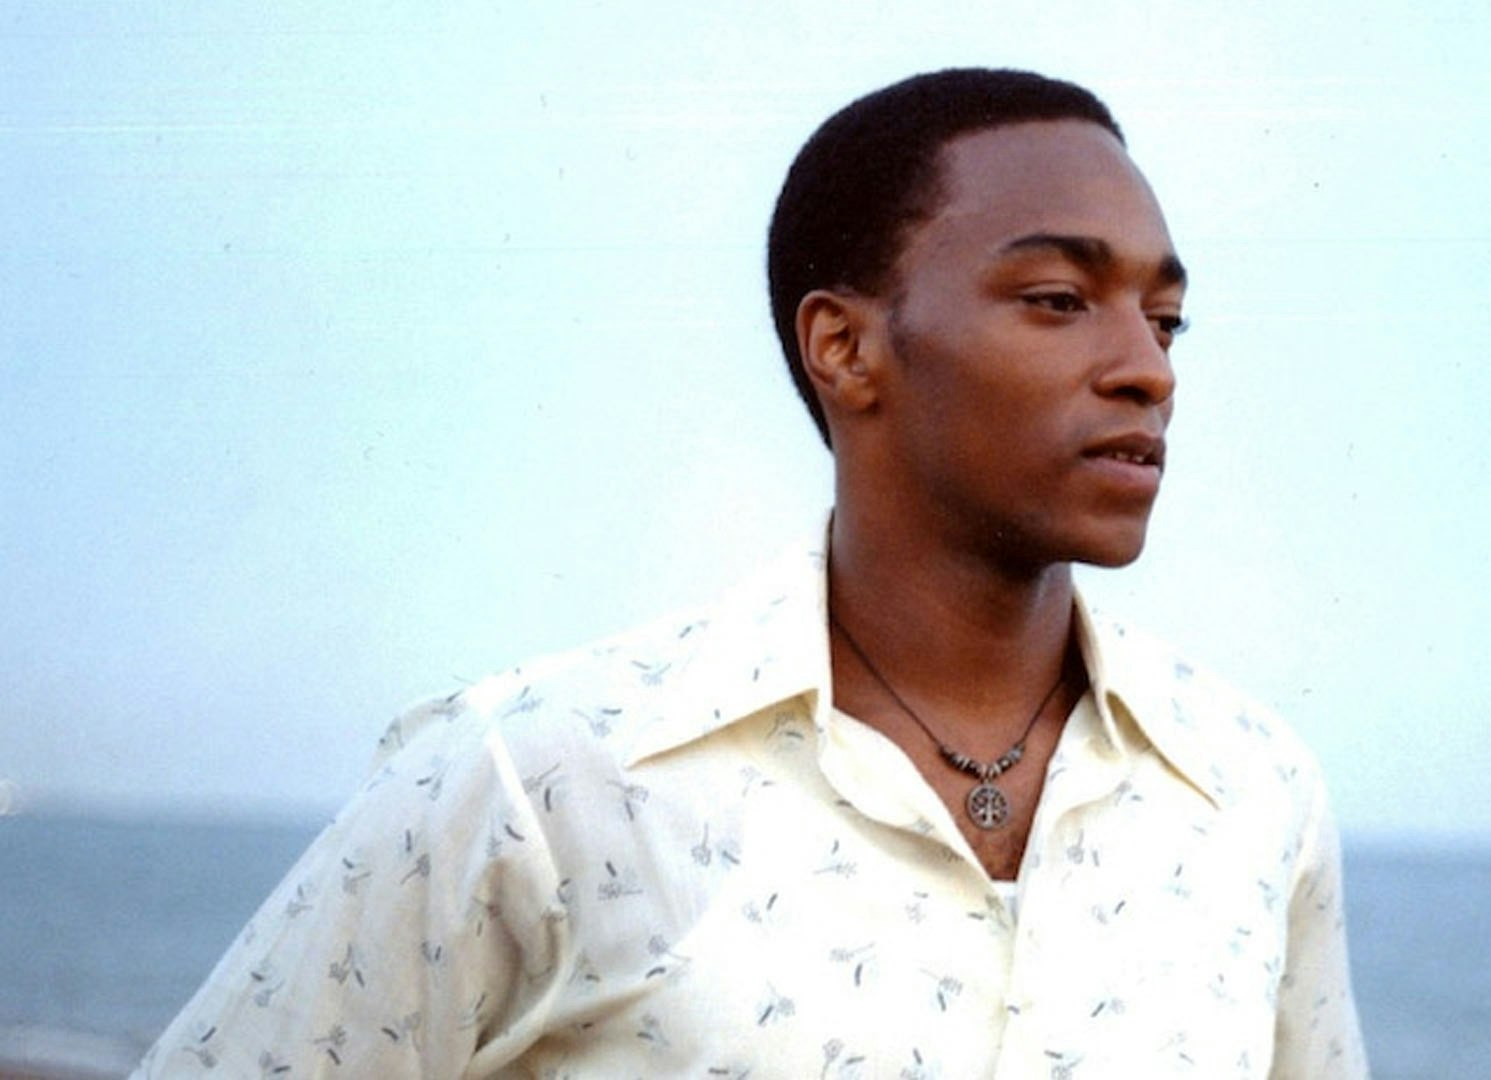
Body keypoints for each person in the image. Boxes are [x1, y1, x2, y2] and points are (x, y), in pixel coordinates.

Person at [137, 68, 1367, 1078]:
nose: (1148, 368)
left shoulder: (1250, 794)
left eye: (1165, 319)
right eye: (1058, 298)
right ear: (845, 346)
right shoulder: (544, 778)